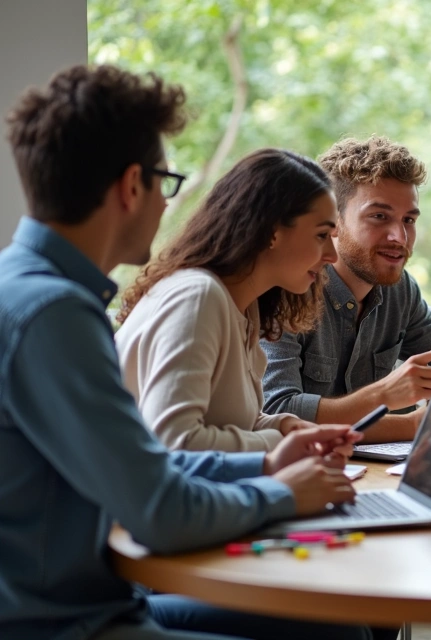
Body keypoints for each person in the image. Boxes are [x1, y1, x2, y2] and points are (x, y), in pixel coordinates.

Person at [0, 64, 377, 640]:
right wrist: (277, 491)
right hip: (69, 623)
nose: (165, 205)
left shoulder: (24, 288)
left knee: (337, 626)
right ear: (132, 186)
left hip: (97, 601)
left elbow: (143, 465)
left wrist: (264, 462)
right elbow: (159, 511)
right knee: (337, 629)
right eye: (165, 183)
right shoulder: (55, 315)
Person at [261, 136, 431, 443]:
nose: (399, 236)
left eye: (408, 220)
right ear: (334, 222)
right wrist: (423, 423)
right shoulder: (287, 286)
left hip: (376, 474)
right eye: (379, 216)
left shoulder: (400, 289)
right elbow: (276, 412)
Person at [115, 148, 349, 454]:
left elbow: (223, 421)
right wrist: (283, 443)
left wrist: (281, 425)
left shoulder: (245, 306)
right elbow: (175, 442)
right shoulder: (198, 297)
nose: (332, 256)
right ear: (272, 232)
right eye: (322, 235)